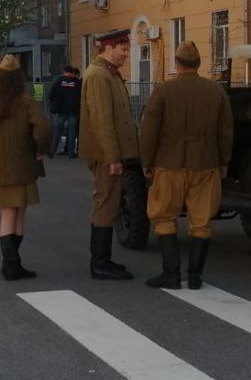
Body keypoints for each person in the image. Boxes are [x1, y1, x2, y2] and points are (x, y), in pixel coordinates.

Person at [139, 41, 234, 289]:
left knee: (164, 216)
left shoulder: (163, 90)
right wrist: (224, 161)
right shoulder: (216, 91)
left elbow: (149, 130)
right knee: (201, 220)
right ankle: (194, 277)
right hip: (205, 162)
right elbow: (226, 131)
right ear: (198, 64)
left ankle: (171, 274)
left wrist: (146, 161)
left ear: (178, 64)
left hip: (168, 163)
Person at [0, 54, 52, 280]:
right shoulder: (26, 102)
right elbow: (44, 129)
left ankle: (10, 264)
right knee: (18, 215)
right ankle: (13, 264)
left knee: (7, 215)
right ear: (19, 78)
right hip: (24, 167)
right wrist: (40, 149)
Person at [80, 28, 139, 281]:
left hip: (113, 154)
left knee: (110, 202)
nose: (127, 54)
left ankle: (103, 260)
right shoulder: (98, 76)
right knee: (105, 203)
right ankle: (100, 263)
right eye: (123, 49)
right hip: (106, 156)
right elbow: (102, 121)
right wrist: (113, 157)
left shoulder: (109, 74)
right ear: (108, 47)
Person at [48, 66, 82, 158]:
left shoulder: (59, 81)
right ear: (72, 72)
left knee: (58, 131)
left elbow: (51, 94)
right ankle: (71, 153)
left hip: (60, 110)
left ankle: (52, 151)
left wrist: (55, 104)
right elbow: (81, 96)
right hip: (73, 110)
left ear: (64, 72)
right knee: (72, 132)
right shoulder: (77, 83)